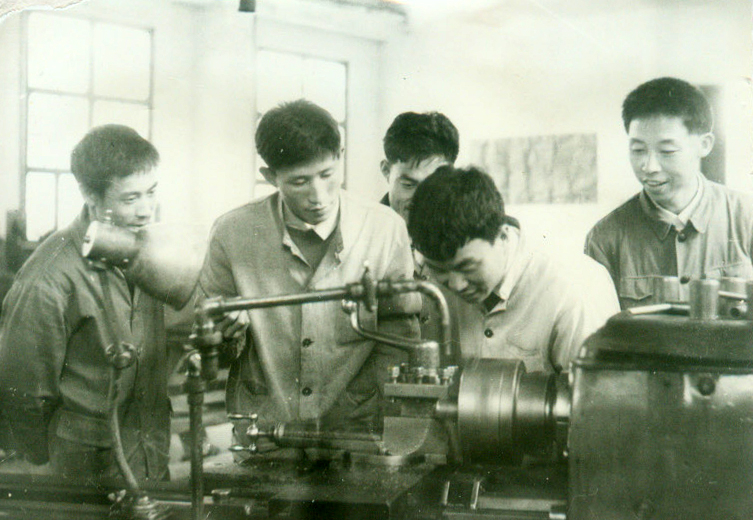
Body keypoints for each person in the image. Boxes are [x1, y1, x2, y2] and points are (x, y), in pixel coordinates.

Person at [199, 100, 418, 441]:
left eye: (327, 175)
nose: (319, 196)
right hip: (264, 429)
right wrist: (226, 332)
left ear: (340, 156)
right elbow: (209, 342)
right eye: (299, 181)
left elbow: (400, 337)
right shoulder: (232, 233)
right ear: (270, 177)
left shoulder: (385, 229)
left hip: (358, 431)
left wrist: (381, 414)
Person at [0, 125, 170, 481]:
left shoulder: (148, 251)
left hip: (148, 455)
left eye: (151, 192)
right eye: (130, 199)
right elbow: (24, 391)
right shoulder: (49, 276)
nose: (146, 210)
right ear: (90, 195)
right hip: (81, 468)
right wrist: (45, 465)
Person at [408, 165, 619, 373]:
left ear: (502, 235)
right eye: (440, 271)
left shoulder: (574, 291)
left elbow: (599, 392)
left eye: (467, 267)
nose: (456, 285)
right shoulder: (433, 281)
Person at [585, 77, 753, 309]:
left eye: (667, 151)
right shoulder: (605, 238)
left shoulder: (746, 218)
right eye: (638, 150)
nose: (649, 166)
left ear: (704, 145)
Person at [380, 111, 459, 222]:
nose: (420, 200)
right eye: (408, 185)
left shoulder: (464, 229)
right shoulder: (361, 228)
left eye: (433, 188)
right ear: (386, 171)